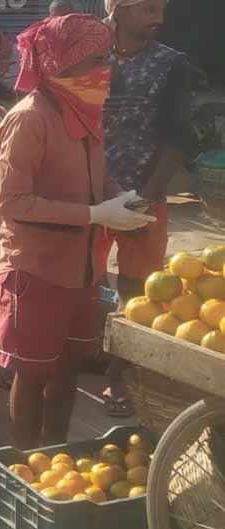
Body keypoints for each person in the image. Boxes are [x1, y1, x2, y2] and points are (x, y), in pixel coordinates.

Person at [0, 14, 155, 449]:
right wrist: (95, 214)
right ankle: (26, 469)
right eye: (96, 59)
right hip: (36, 272)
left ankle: (55, 455)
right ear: (61, 62)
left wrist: (123, 200)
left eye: (108, 58)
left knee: (67, 371)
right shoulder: (29, 119)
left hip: (83, 272)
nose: (107, 69)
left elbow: (100, 182)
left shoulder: (87, 114)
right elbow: (11, 203)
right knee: (32, 377)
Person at [97, 0, 195, 417]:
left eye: (161, 8)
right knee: (78, 282)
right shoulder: (87, 54)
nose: (158, 16)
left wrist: (147, 198)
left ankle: (119, 377)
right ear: (117, 8)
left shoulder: (171, 64)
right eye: (147, 7)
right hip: (87, 192)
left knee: (137, 292)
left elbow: (178, 139)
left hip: (144, 194)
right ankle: (79, 356)